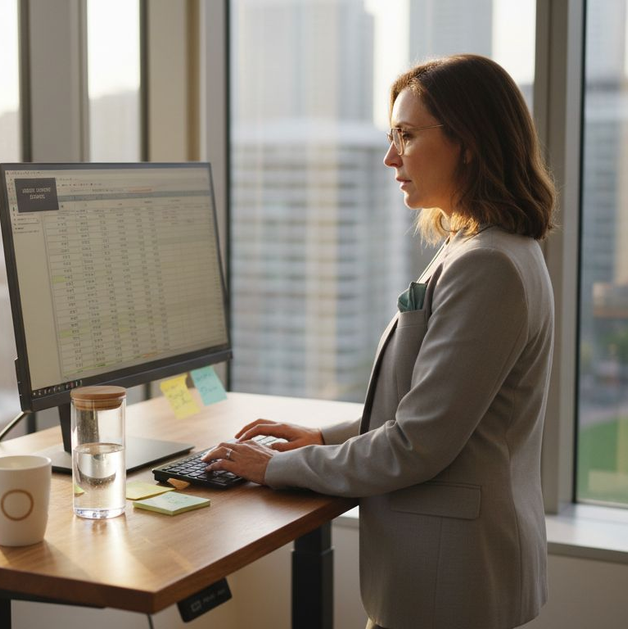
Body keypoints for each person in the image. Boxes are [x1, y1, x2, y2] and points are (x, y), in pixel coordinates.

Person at [202, 54, 556, 629]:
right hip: (448, 572)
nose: (391, 157)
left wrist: (275, 469)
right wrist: (321, 435)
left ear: (469, 141)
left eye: (407, 136)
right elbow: (429, 407)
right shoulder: (481, 246)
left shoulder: (487, 265)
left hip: (452, 585)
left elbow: (418, 443)